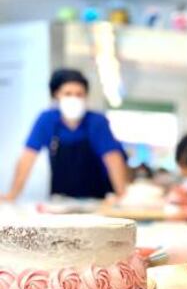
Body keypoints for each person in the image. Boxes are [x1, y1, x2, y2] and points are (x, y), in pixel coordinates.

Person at [1, 68, 128, 200]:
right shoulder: (47, 120)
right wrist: (12, 194)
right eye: (68, 93)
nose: (74, 98)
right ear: (56, 95)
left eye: (79, 94)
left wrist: (121, 195)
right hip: (59, 200)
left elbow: (113, 158)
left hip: (96, 200)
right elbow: (27, 157)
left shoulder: (96, 122)